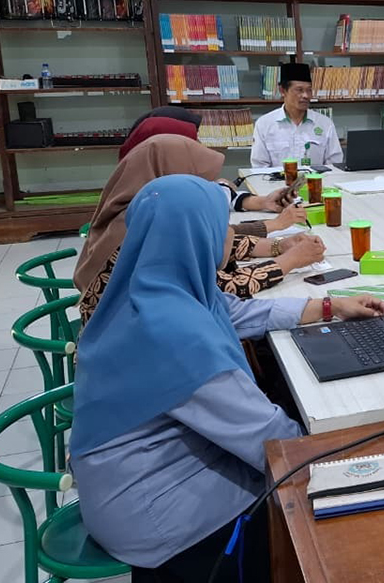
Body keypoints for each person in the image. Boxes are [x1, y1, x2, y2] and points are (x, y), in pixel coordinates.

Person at [72, 174, 301, 582]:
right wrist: (333, 438)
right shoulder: (175, 332)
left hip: (118, 478)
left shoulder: (148, 286)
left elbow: (236, 311)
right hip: (155, 517)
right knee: (306, 507)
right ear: (196, 234)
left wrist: (328, 307)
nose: (230, 234)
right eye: (222, 225)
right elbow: (270, 441)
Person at [75, 134, 326, 322]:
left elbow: (206, 242)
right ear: (171, 175)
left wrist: (279, 245)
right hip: (139, 354)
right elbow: (223, 287)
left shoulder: (142, 210)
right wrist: (291, 260)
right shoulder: (139, 231)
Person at [123, 108, 306, 238]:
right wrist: (275, 226)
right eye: (191, 143)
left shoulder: (154, 181)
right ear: (165, 153)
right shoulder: (145, 208)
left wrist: (263, 202)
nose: (200, 148)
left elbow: (216, 195)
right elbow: (215, 238)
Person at [250, 62, 343, 168]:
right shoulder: (264, 124)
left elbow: (335, 164)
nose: (306, 95)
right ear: (283, 91)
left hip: (316, 178)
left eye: (309, 90)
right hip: (279, 179)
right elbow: (259, 167)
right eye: (299, 90)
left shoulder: (325, 124)